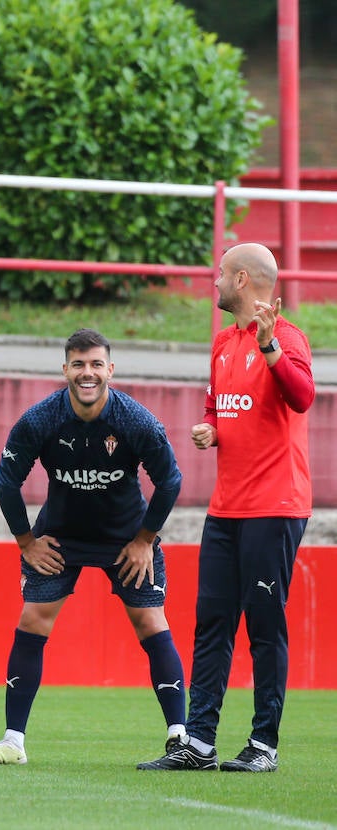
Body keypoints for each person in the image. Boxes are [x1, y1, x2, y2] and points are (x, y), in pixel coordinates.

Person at [139, 242, 314, 773]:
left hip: (276, 506)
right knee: (212, 621)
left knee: (264, 623)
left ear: (242, 279)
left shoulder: (286, 338)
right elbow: (222, 408)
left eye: (219, 274)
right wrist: (210, 430)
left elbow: (303, 397)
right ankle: (201, 741)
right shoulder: (219, 343)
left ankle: (263, 746)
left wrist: (270, 351)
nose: (212, 281)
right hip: (228, 507)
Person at [0, 328, 185, 767]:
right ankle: (13, 741)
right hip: (61, 538)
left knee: (150, 621)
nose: (86, 373)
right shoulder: (41, 420)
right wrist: (26, 542)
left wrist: (145, 540)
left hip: (126, 539)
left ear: (110, 369)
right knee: (33, 620)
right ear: (64, 369)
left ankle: (180, 738)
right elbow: (5, 481)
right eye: (78, 364)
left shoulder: (135, 421)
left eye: (95, 364)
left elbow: (171, 480)